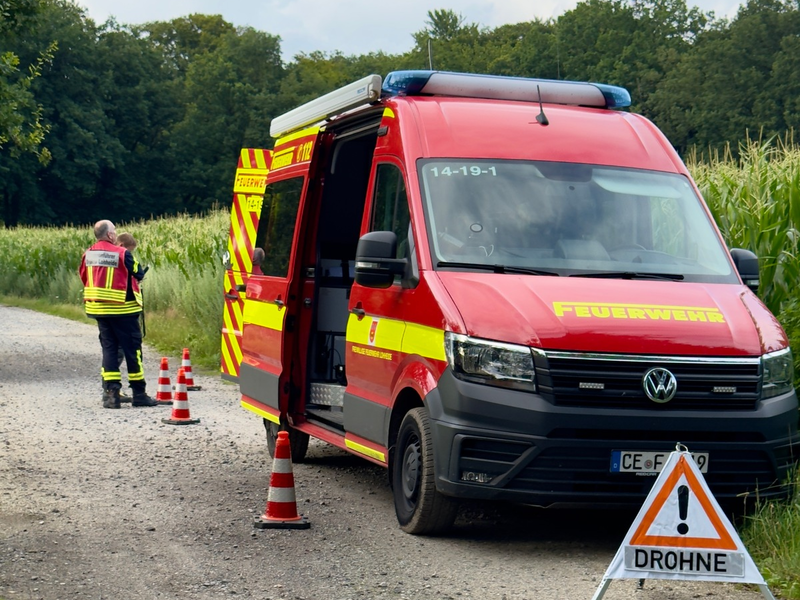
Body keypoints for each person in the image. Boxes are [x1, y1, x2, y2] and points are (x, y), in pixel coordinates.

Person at [79, 220, 158, 409]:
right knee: (133, 351)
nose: (115, 234)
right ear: (110, 235)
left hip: (99, 310)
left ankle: (112, 395)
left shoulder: (88, 254)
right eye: (113, 231)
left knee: (109, 350)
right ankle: (139, 394)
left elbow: (83, 276)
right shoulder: (122, 253)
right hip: (123, 310)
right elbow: (138, 273)